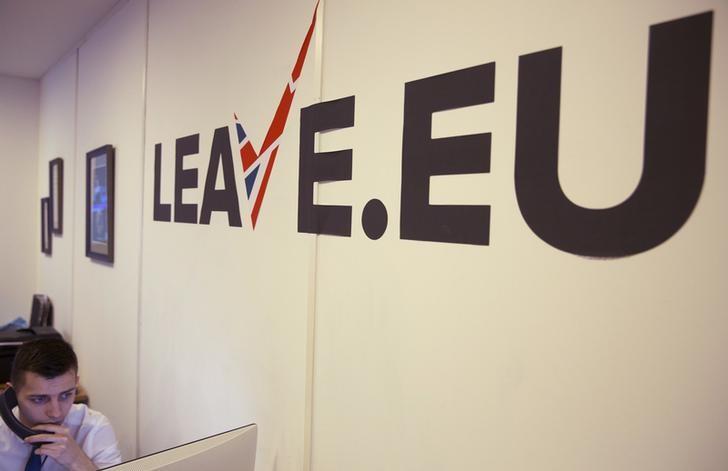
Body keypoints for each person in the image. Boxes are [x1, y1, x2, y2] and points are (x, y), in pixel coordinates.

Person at [0, 338, 122, 470]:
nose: (56, 413)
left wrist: (76, 460)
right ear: (13, 394)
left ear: (76, 383)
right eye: (39, 399)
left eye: (65, 395)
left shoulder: (94, 428)